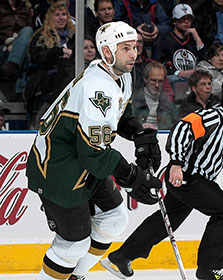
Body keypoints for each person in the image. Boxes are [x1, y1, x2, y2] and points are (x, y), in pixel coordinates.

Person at [26, 21, 162, 280]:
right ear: (108, 52)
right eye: (125, 48)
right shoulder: (96, 88)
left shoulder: (120, 74)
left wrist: (138, 133)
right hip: (58, 169)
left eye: (134, 47)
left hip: (82, 162)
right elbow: (94, 153)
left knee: (114, 220)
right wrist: (132, 176)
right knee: (72, 244)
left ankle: (75, 276)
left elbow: (120, 112)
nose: (134, 54)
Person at [100, 72, 223, 280]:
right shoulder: (213, 117)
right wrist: (176, 163)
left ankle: (121, 257)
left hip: (198, 181)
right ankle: (209, 268)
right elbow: (182, 129)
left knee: (164, 223)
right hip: (188, 178)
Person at [23, 1, 75, 130]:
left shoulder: (76, 36)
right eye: (57, 15)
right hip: (45, 85)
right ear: (49, 17)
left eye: (64, 14)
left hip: (69, 85)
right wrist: (59, 52)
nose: (61, 18)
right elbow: (36, 57)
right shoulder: (41, 35)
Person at [151, 4, 206, 97]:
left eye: (189, 18)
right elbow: (158, 65)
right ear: (174, 21)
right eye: (182, 18)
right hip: (173, 79)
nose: (186, 21)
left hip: (194, 80)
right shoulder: (164, 40)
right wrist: (180, 73)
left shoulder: (193, 39)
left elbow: (204, 61)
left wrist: (197, 38)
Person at [132, 61, 178, 130]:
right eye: (153, 80)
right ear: (145, 79)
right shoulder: (134, 99)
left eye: (160, 81)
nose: (157, 85)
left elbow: (177, 124)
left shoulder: (168, 102)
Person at [132, 31, 174, 102]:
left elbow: (168, 91)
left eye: (139, 42)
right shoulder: (122, 67)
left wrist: (166, 106)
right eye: (134, 42)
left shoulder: (154, 65)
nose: (137, 45)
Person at [0, 0, 33, 83]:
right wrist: (6, 40)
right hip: (3, 46)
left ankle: (12, 65)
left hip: (21, 41)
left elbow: (31, 30)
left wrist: (17, 41)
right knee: (23, 53)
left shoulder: (25, 7)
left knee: (27, 30)